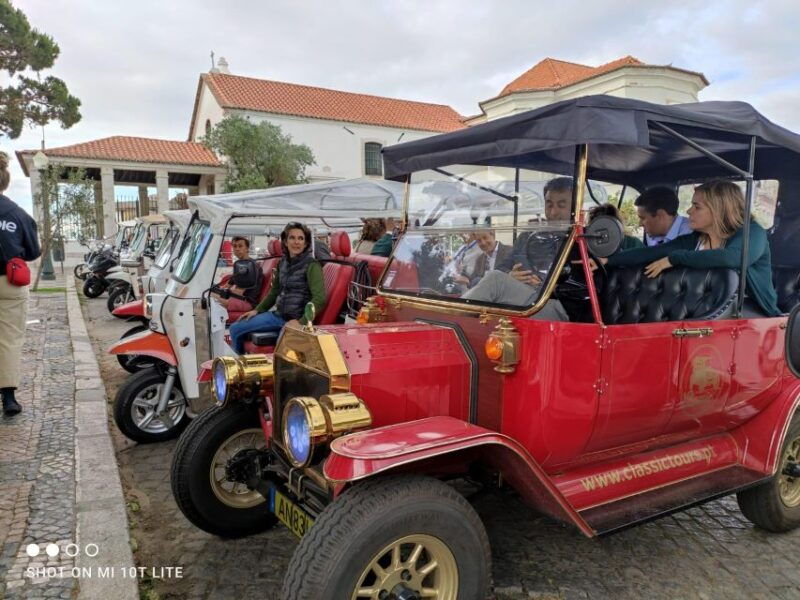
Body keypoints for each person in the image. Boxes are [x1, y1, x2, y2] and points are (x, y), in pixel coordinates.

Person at [599, 180, 780, 317]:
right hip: (705, 314)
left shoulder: (752, 232)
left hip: (754, 315)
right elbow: (652, 252)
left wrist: (675, 258)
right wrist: (608, 260)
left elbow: (734, 258)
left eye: (696, 206)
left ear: (718, 210)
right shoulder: (696, 239)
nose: (689, 211)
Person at [462, 177, 573, 320]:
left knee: (495, 280)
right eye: (549, 205)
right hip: (527, 302)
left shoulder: (581, 240)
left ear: (574, 208)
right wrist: (510, 276)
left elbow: (581, 288)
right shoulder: (527, 236)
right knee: (495, 281)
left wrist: (542, 285)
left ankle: (448, 320)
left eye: (561, 205)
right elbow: (501, 268)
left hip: (555, 306)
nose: (553, 212)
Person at [229, 222, 327, 353]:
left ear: (305, 243)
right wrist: (257, 310)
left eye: (301, 238)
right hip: (278, 315)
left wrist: (301, 322)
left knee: (282, 350)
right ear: (286, 242)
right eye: (292, 238)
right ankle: (242, 367)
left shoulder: (312, 265)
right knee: (235, 328)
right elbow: (274, 292)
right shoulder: (282, 263)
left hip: (297, 319)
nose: (296, 242)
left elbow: (319, 299)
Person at [0, 152, 41, 416]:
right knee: (9, 340)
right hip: (9, 282)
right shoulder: (17, 213)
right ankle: (8, 398)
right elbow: (33, 250)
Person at [213, 236, 262, 312]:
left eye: (240, 246)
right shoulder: (240, 266)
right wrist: (216, 289)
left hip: (246, 302)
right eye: (234, 246)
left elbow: (239, 292)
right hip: (238, 298)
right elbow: (227, 286)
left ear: (247, 248)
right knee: (210, 294)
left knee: (209, 296)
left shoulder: (251, 266)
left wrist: (218, 294)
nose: (237, 249)